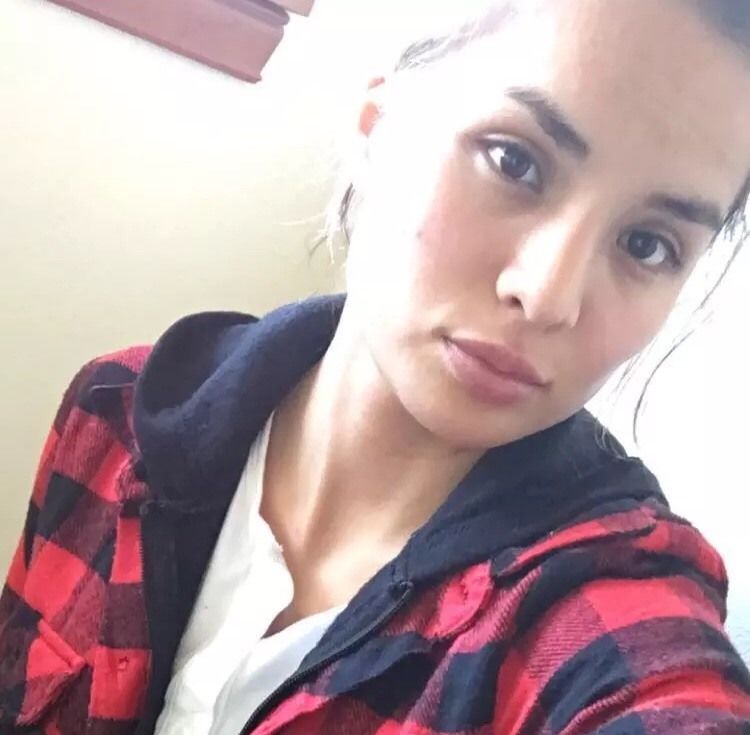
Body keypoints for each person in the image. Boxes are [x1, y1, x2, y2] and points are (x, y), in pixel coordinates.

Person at [2, 0, 750, 733]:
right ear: (377, 123)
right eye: (515, 161)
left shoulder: (602, 624)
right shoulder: (113, 415)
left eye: (648, 244)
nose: (548, 295)